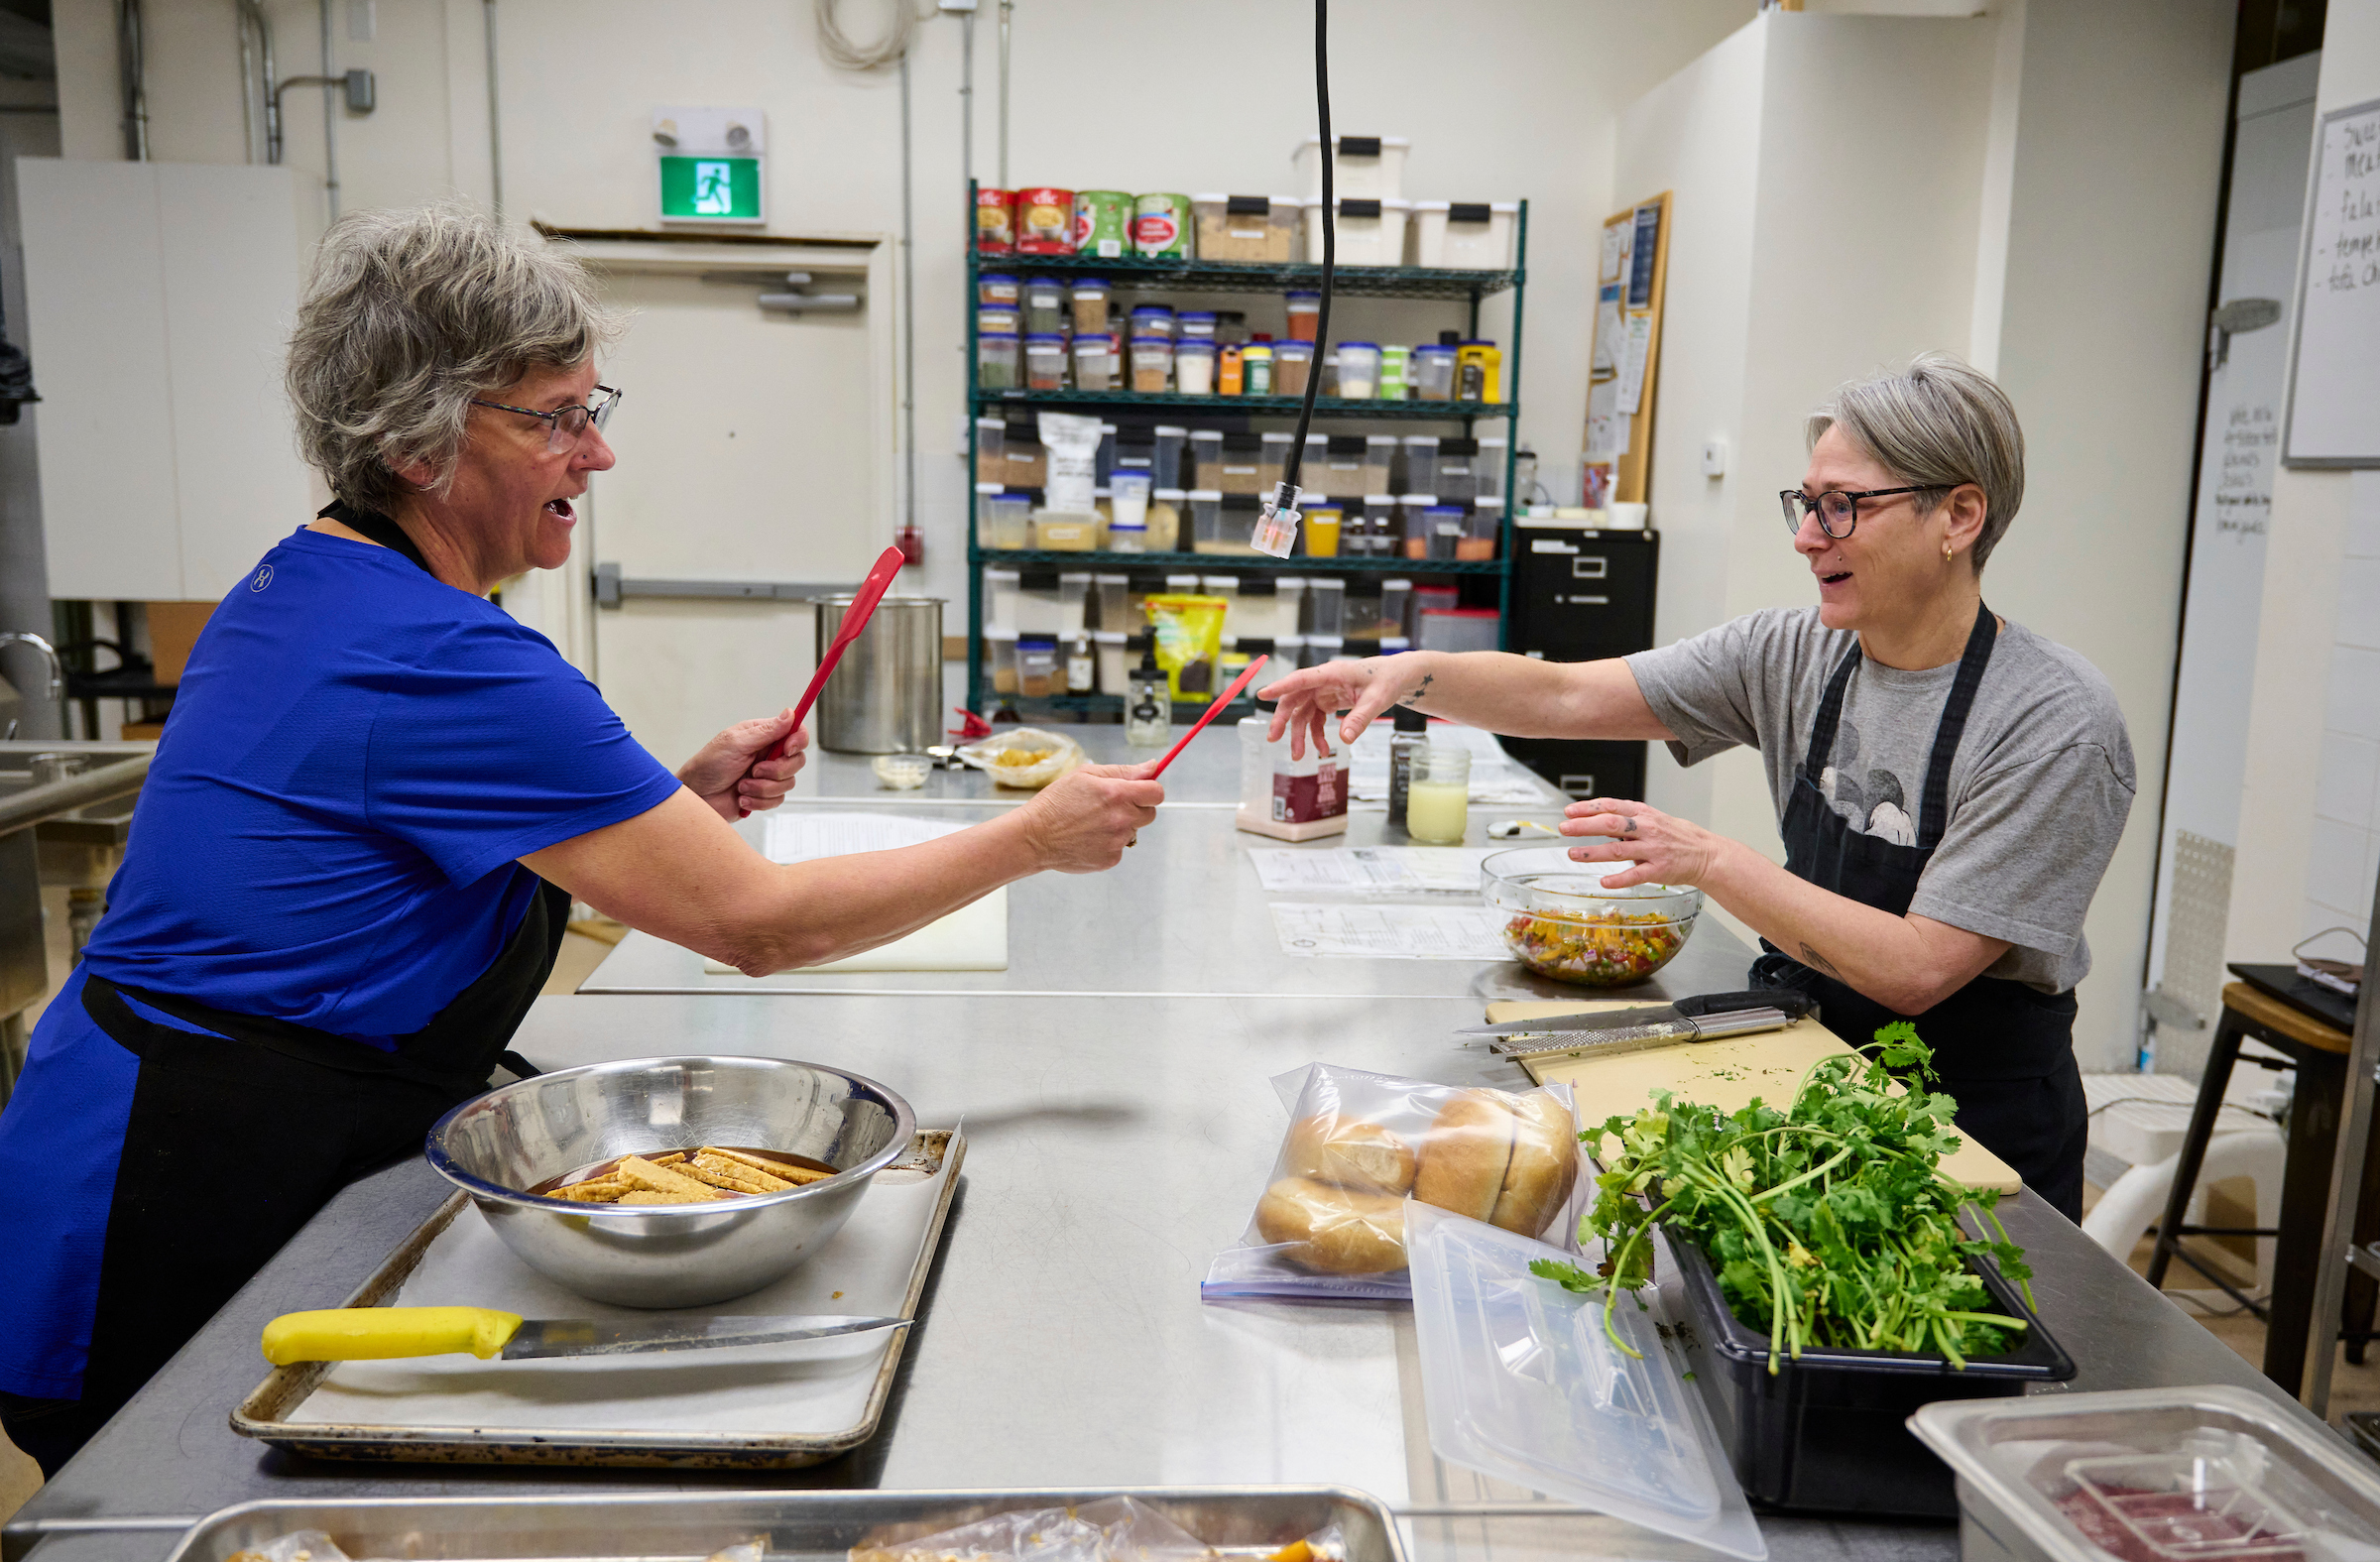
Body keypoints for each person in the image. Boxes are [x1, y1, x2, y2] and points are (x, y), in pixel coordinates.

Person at [0, 205, 1163, 1474]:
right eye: (554, 418)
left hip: (138, 1129)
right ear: (419, 442)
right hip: (182, 1192)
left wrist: (673, 803)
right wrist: (1034, 838)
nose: (597, 453)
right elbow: (758, 928)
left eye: (591, 406)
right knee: (167, 1500)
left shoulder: (312, 582)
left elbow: (390, 846)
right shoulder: (442, 657)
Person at [1264, 354, 2133, 1221]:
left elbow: (1918, 970)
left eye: (1843, 506)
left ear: (1960, 514)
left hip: (1974, 1134)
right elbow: (1566, 693)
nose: (1805, 536)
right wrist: (1407, 675)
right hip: (1812, 1077)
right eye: (1806, 504)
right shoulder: (1792, 653)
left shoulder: (2053, 721)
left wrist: (1707, 859)